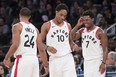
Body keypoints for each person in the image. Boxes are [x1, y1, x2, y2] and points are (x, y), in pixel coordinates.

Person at [3, 7, 48, 77]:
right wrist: (46, 65)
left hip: (23, 59)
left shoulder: (17, 26)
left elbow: (15, 45)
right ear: (29, 17)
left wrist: (6, 58)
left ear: (19, 15)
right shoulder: (35, 29)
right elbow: (41, 49)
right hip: (34, 60)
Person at [40, 3, 77, 77]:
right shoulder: (47, 25)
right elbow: (39, 42)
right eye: (61, 15)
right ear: (56, 12)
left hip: (67, 58)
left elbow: (70, 41)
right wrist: (47, 47)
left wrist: (73, 45)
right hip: (54, 59)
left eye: (64, 16)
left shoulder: (68, 25)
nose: (63, 17)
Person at [71, 10, 108, 77]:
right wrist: (77, 25)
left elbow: (105, 49)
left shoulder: (100, 32)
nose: (85, 22)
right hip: (86, 61)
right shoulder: (82, 31)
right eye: (84, 20)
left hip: (97, 61)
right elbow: (72, 37)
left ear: (92, 19)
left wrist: (103, 63)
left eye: (87, 20)